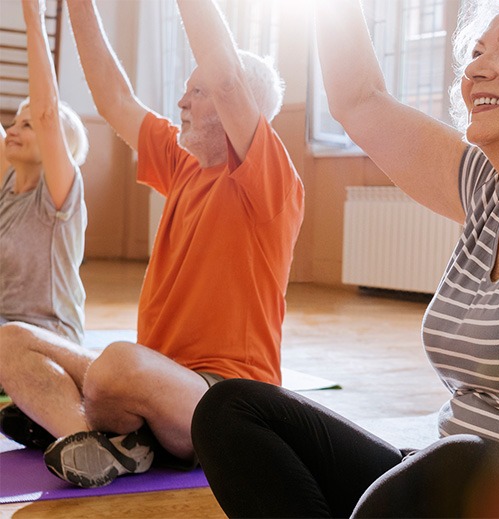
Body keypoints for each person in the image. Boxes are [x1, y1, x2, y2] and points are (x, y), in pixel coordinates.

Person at [191, 0, 499, 517]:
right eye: (474, 53)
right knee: (231, 411)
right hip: (453, 492)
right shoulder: (486, 192)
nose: (475, 68)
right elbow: (358, 99)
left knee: (455, 468)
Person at [0, 0, 304, 489]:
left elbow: (226, 75)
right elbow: (112, 96)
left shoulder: (267, 178)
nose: (182, 103)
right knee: (11, 341)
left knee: (118, 367)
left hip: (224, 400)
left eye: (197, 92)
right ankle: (97, 440)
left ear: (236, 105)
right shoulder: (182, 163)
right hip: (155, 379)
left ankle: (100, 425)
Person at [0, 0, 89, 346]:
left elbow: (47, 113)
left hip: (50, 339)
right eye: (15, 122)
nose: (14, 130)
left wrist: (33, 18)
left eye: (28, 124)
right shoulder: (9, 184)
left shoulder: (60, 196)